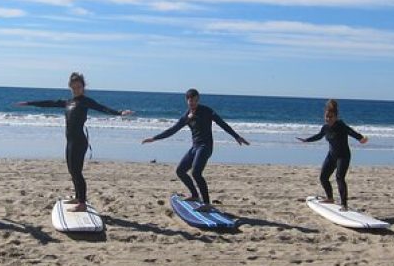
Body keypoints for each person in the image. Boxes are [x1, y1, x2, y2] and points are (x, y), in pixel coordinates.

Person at [17, 72, 132, 212]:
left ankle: (82, 203)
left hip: (79, 142)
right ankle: (78, 197)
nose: (76, 89)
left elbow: (102, 108)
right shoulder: (68, 102)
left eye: (79, 86)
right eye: (74, 87)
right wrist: (29, 103)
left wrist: (119, 113)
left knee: (77, 172)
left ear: (83, 87)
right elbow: (49, 103)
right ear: (70, 87)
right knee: (72, 171)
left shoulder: (86, 101)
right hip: (70, 142)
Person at [142, 88, 249, 208]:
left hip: (205, 147)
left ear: (198, 100)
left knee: (196, 173)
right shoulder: (186, 116)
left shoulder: (207, 111)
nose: (192, 103)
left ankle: (207, 203)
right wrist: (154, 138)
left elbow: (222, 123)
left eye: (195, 101)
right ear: (187, 100)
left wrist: (236, 137)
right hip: (195, 147)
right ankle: (194, 195)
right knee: (180, 171)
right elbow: (173, 130)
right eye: (190, 101)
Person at [297, 99, 367, 210]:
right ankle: (330, 198)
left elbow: (351, 132)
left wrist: (361, 138)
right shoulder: (325, 128)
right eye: (326, 117)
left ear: (335, 117)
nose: (328, 119)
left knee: (339, 177)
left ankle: (344, 204)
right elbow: (319, 136)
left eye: (330, 117)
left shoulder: (341, 125)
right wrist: (307, 140)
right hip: (332, 155)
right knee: (323, 177)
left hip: (343, 156)